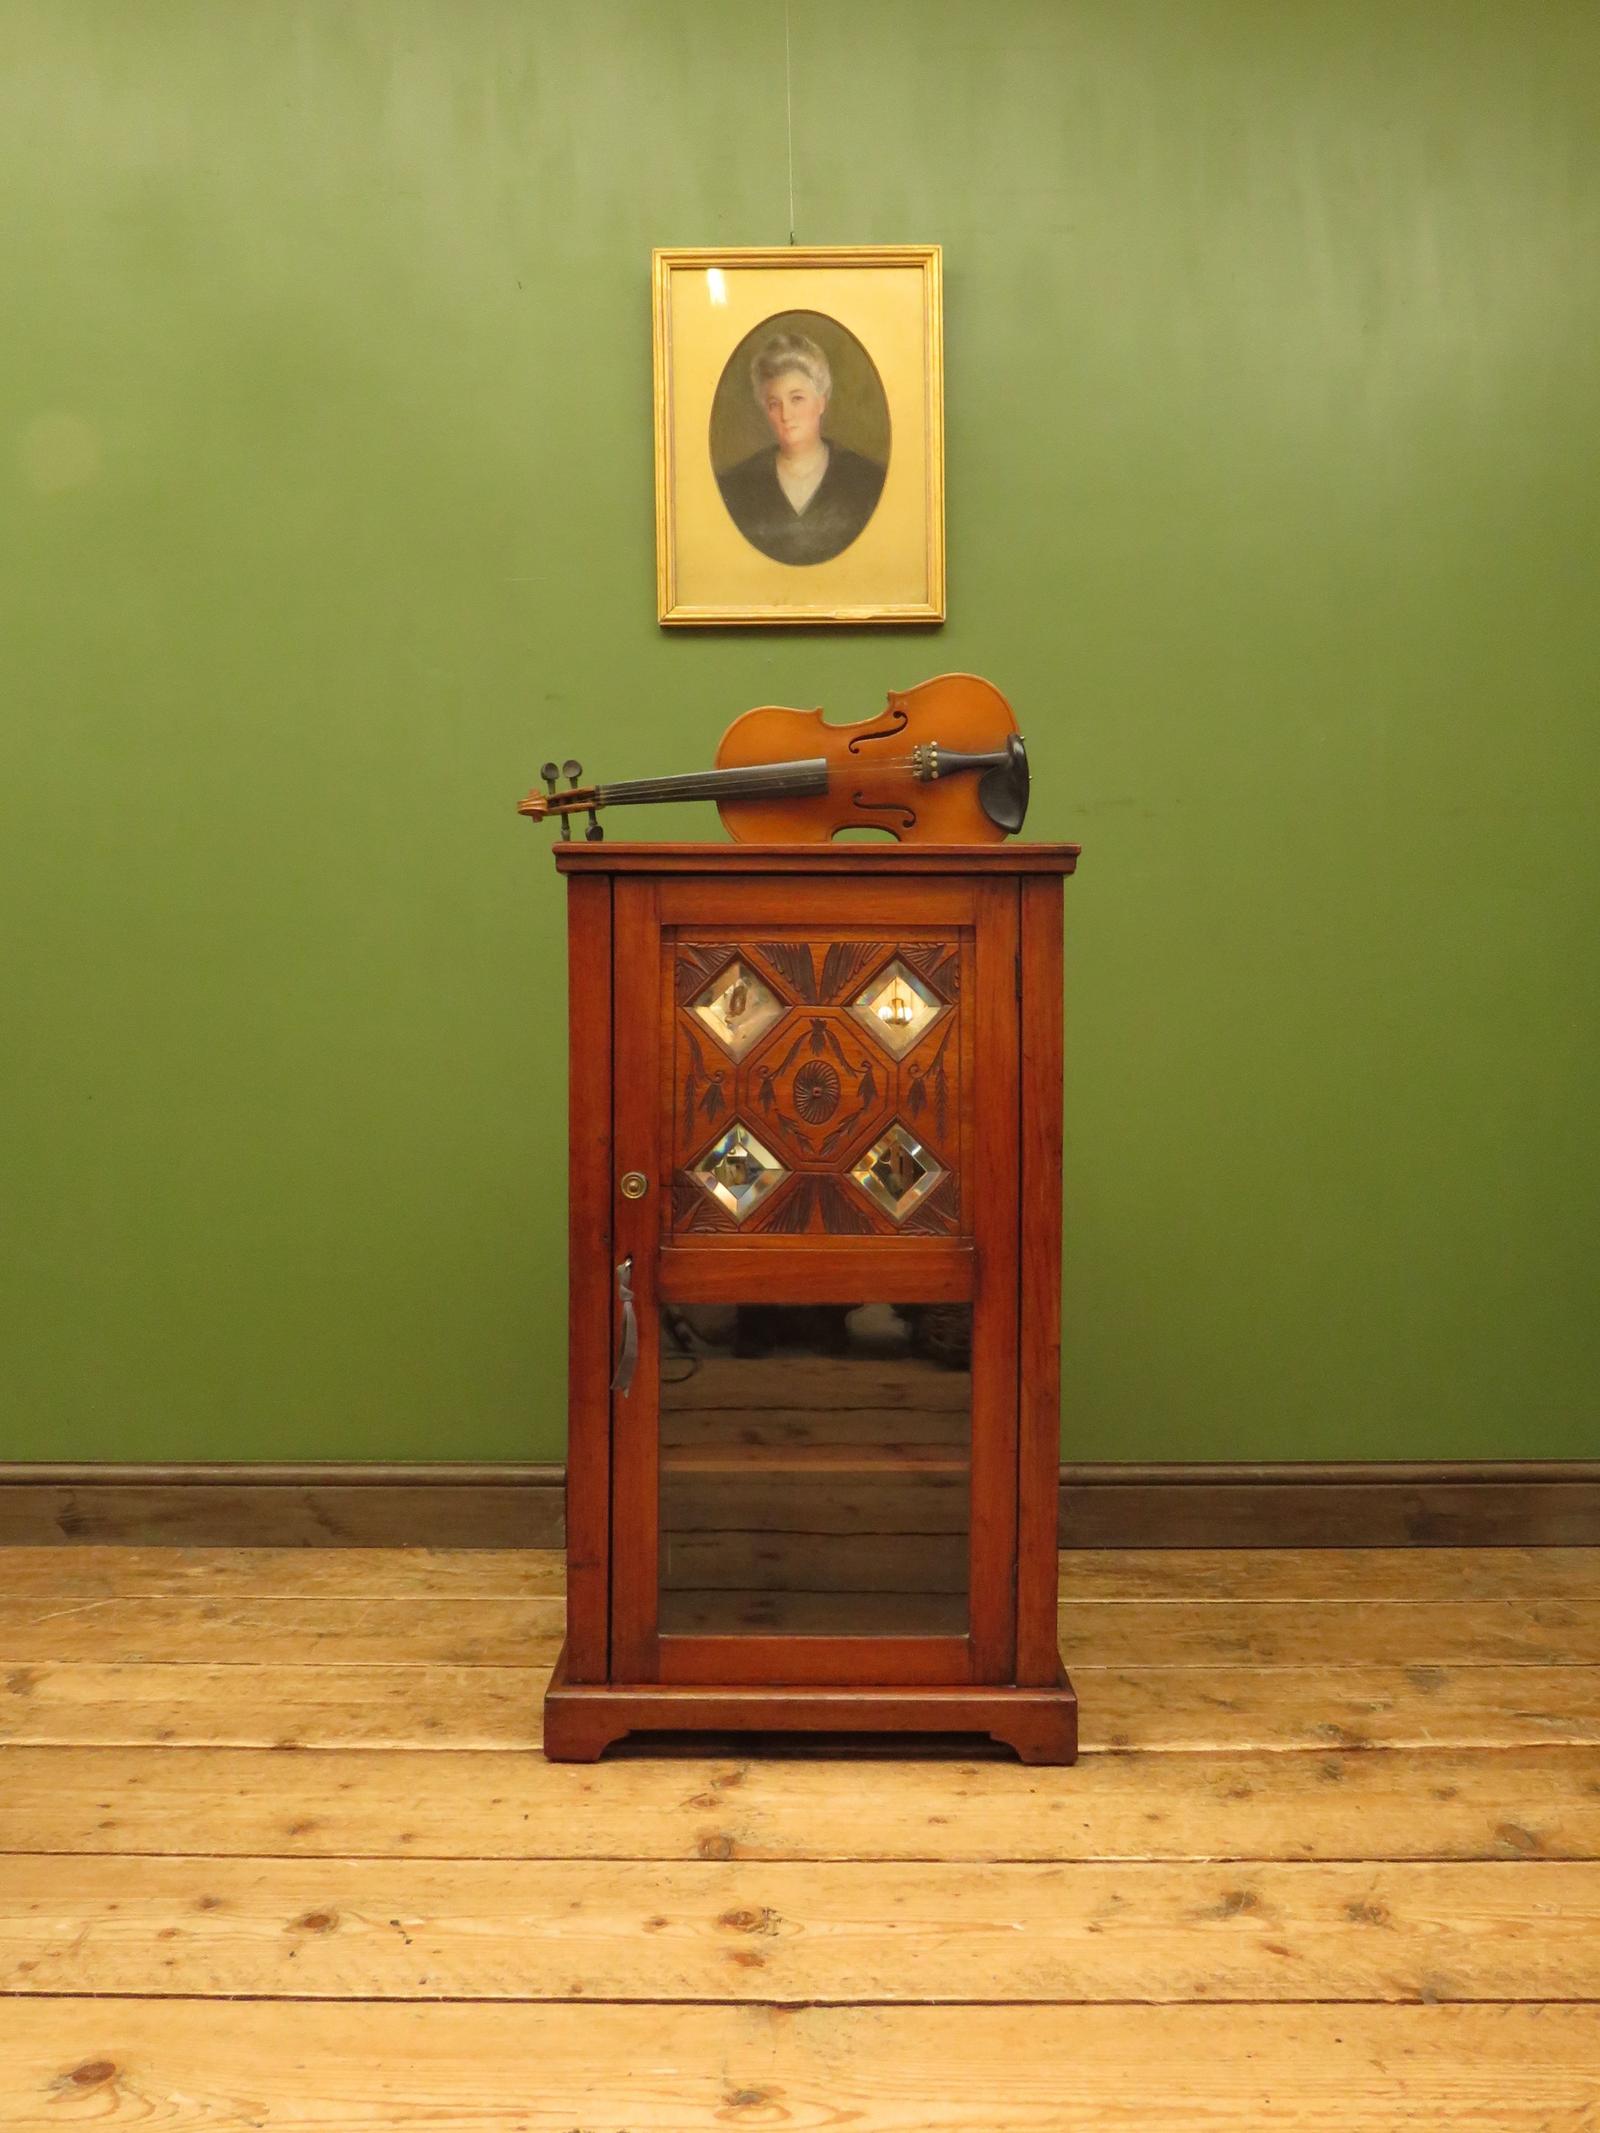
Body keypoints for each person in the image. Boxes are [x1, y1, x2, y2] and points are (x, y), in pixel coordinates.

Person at [715, 330, 886, 566]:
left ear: (821, 401)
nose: (786, 415)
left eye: (797, 399)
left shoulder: (867, 480)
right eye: (774, 404)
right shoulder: (736, 485)